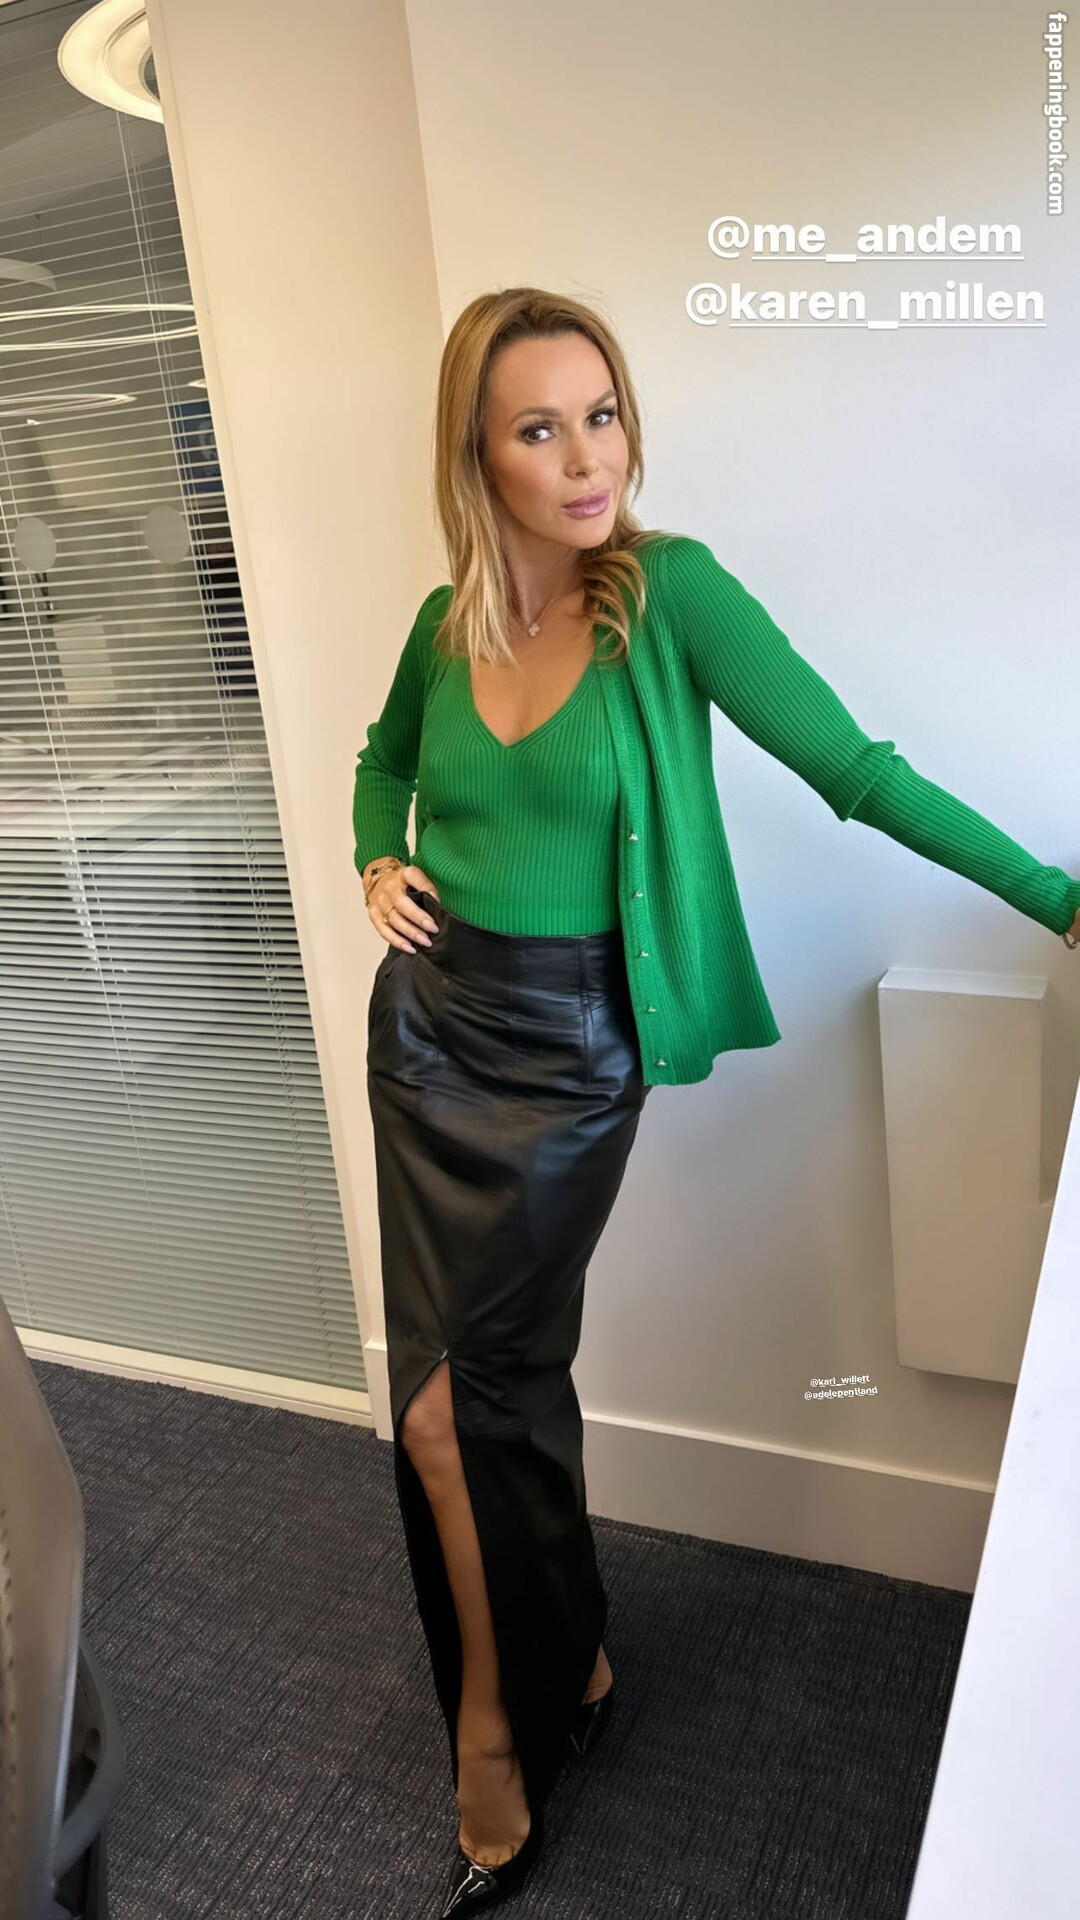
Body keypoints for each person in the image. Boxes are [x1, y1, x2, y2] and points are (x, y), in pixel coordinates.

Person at [353, 286, 1080, 1916]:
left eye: (602, 414)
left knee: (456, 1411)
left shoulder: (668, 595)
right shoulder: (441, 624)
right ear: (477, 455)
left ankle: (493, 1732)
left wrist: (1061, 898)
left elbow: (858, 770)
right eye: (540, 428)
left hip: (567, 1058)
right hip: (428, 1037)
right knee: (479, 1396)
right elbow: (380, 762)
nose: (587, 458)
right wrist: (372, 860)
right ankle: (574, 1665)